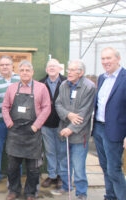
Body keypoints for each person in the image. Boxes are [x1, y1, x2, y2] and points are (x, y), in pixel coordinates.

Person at [2, 60, 51, 200]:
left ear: (32, 72)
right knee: (12, 167)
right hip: (15, 132)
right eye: (22, 70)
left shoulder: (41, 88)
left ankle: (30, 193)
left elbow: (47, 107)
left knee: (33, 168)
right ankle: (14, 190)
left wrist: (36, 125)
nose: (24, 73)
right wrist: (9, 123)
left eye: (27, 70)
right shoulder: (12, 88)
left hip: (33, 132)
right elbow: (5, 107)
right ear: (19, 72)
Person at [52, 60, 95, 200]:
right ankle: (66, 187)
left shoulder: (89, 87)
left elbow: (85, 112)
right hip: (63, 132)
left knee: (78, 165)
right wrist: (68, 115)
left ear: (80, 72)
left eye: (72, 70)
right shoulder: (64, 85)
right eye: (68, 70)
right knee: (64, 164)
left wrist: (70, 129)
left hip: (78, 135)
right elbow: (58, 104)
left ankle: (81, 193)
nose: (68, 72)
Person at [93, 47, 126, 200]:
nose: (105, 62)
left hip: (115, 131)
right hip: (99, 127)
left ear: (118, 59)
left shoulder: (124, 78)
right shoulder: (102, 78)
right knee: (105, 168)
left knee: (114, 169)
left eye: (109, 58)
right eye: (103, 59)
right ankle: (110, 196)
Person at [0, 55, 20, 188]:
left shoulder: (20, 79)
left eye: (7, 64)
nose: (5, 67)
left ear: (12, 66)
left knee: (16, 151)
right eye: (2, 65)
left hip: (17, 123)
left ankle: (15, 177)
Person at [38, 59, 66, 188]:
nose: (51, 68)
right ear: (46, 69)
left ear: (59, 68)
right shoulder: (41, 83)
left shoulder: (66, 82)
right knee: (49, 151)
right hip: (46, 123)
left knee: (61, 151)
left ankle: (61, 176)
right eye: (49, 66)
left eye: (54, 66)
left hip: (62, 123)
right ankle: (52, 175)